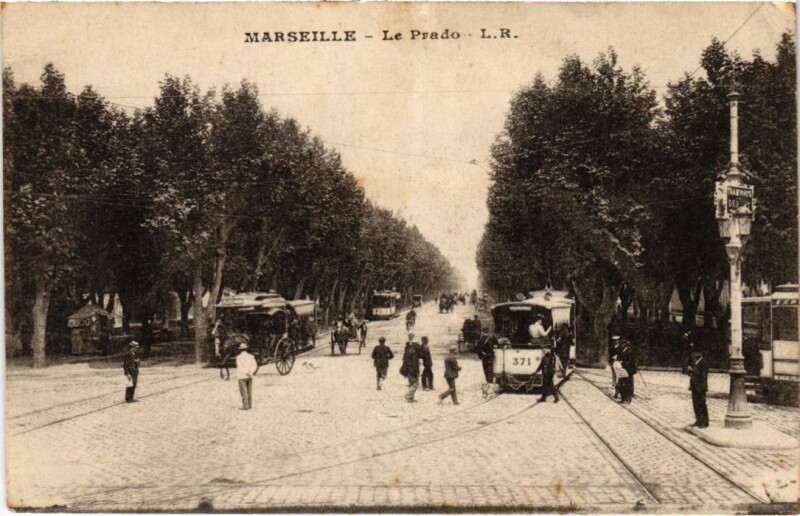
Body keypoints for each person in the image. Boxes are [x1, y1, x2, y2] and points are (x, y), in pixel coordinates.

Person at [685, 344, 709, 428]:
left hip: (701, 387)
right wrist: (689, 371)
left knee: (702, 404)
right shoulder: (695, 363)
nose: (694, 355)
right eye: (694, 353)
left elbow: (703, 376)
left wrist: (693, 370)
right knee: (695, 404)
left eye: (696, 353)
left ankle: (704, 422)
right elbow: (692, 374)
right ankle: (698, 420)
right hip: (694, 387)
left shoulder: (704, 363)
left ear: (700, 354)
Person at [236, 342, 259, 410]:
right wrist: (250, 372)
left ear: (240, 350)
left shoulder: (238, 357)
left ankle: (245, 405)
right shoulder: (251, 356)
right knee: (249, 391)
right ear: (246, 349)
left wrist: (246, 372)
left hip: (242, 376)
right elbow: (255, 365)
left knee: (243, 391)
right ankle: (250, 405)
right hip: (250, 376)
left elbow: (240, 367)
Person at [401, 336, 422, 403]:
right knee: (416, 384)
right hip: (413, 371)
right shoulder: (414, 353)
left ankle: (411, 398)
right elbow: (415, 364)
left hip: (408, 370)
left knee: (411, 383)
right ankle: (408, 395)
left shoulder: (408, 350)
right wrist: (417, 372)